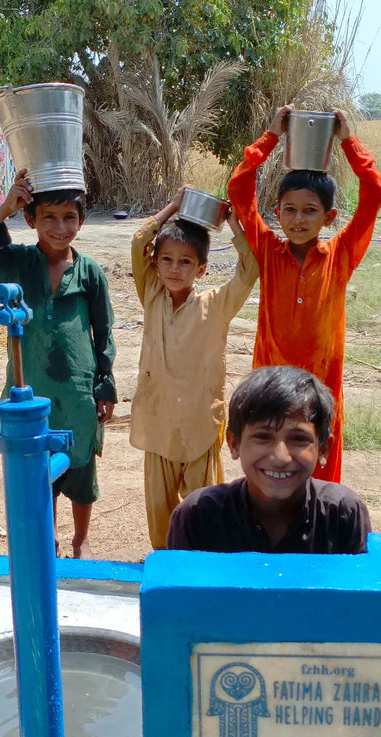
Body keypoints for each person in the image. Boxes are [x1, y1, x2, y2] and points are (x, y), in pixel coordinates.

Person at [0, 169, 117, 558]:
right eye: (49, 217)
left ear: (81, 221)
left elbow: (103, 332)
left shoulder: (89, 272)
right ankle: (51, 539)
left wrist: (106, 385)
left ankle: (81, 541)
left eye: (69, 218)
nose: (60, 228)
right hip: (30, 390)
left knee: (81, 469)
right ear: (31, 220)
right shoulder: (19, 264)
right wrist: (5, 209)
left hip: (78, 393)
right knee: (37, 470)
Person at [227, 105, 381, 483]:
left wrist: (348, 141)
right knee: (269, 470)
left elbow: (375, 193)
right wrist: (271, 137)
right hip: (271, 387)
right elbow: (239, 188)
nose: (298, 219)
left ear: (329, 217)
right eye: (290, 210)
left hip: (322, 392)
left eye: (310, 210)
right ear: (277, 212)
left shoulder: (341, 255)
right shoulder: (268, 250)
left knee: (319, 476)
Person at [129, 186, 259, 549]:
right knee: (160, 514)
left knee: (205, 511)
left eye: (185, 262)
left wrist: (232, 222)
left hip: (200, 424)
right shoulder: (151, 295)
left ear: (201, 269)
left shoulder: (216, 305)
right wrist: (173, 206)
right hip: (157, 424)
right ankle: (167, 564)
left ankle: (202, 568)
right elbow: (139, 241)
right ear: (156, 264)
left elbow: (250, 269)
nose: (175, 269)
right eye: (167, 260)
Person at [167, 365, 371, 554]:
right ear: (234, 443)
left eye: (299, 439)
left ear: (324, 449)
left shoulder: (342, 513)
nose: (280, 457)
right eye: (263, 437)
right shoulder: (198, 516)